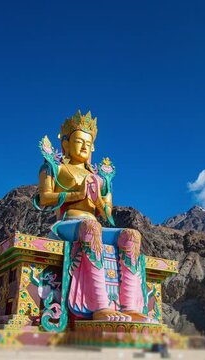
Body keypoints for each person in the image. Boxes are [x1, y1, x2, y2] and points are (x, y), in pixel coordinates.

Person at [35, 110, 151, 323]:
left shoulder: (100, 178)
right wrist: (77, 194)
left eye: (88, 143)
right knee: (91, 228)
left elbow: (106, 213)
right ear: (66, 144)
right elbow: (44, 198)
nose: (84, 147)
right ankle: (99, 306)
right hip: (68, 223)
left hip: (93, 224)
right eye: (79, 141)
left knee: (132, 235)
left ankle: (131, 307)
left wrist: (97, 198)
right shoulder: (55, 168)